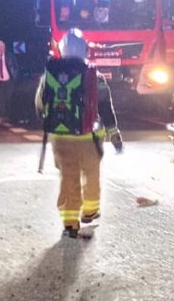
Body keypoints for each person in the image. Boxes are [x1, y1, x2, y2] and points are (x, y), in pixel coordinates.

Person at [35, 28, 123, 239]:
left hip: (61, 138)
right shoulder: (94, 75)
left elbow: (40, 104)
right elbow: (105, 108)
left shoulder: (49, 74)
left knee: (68, 178)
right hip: (89, 138)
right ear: (84, 49)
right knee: (91, 174)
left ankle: (70, 224)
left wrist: (54, 124)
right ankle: (90, 211)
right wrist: (114, 135)